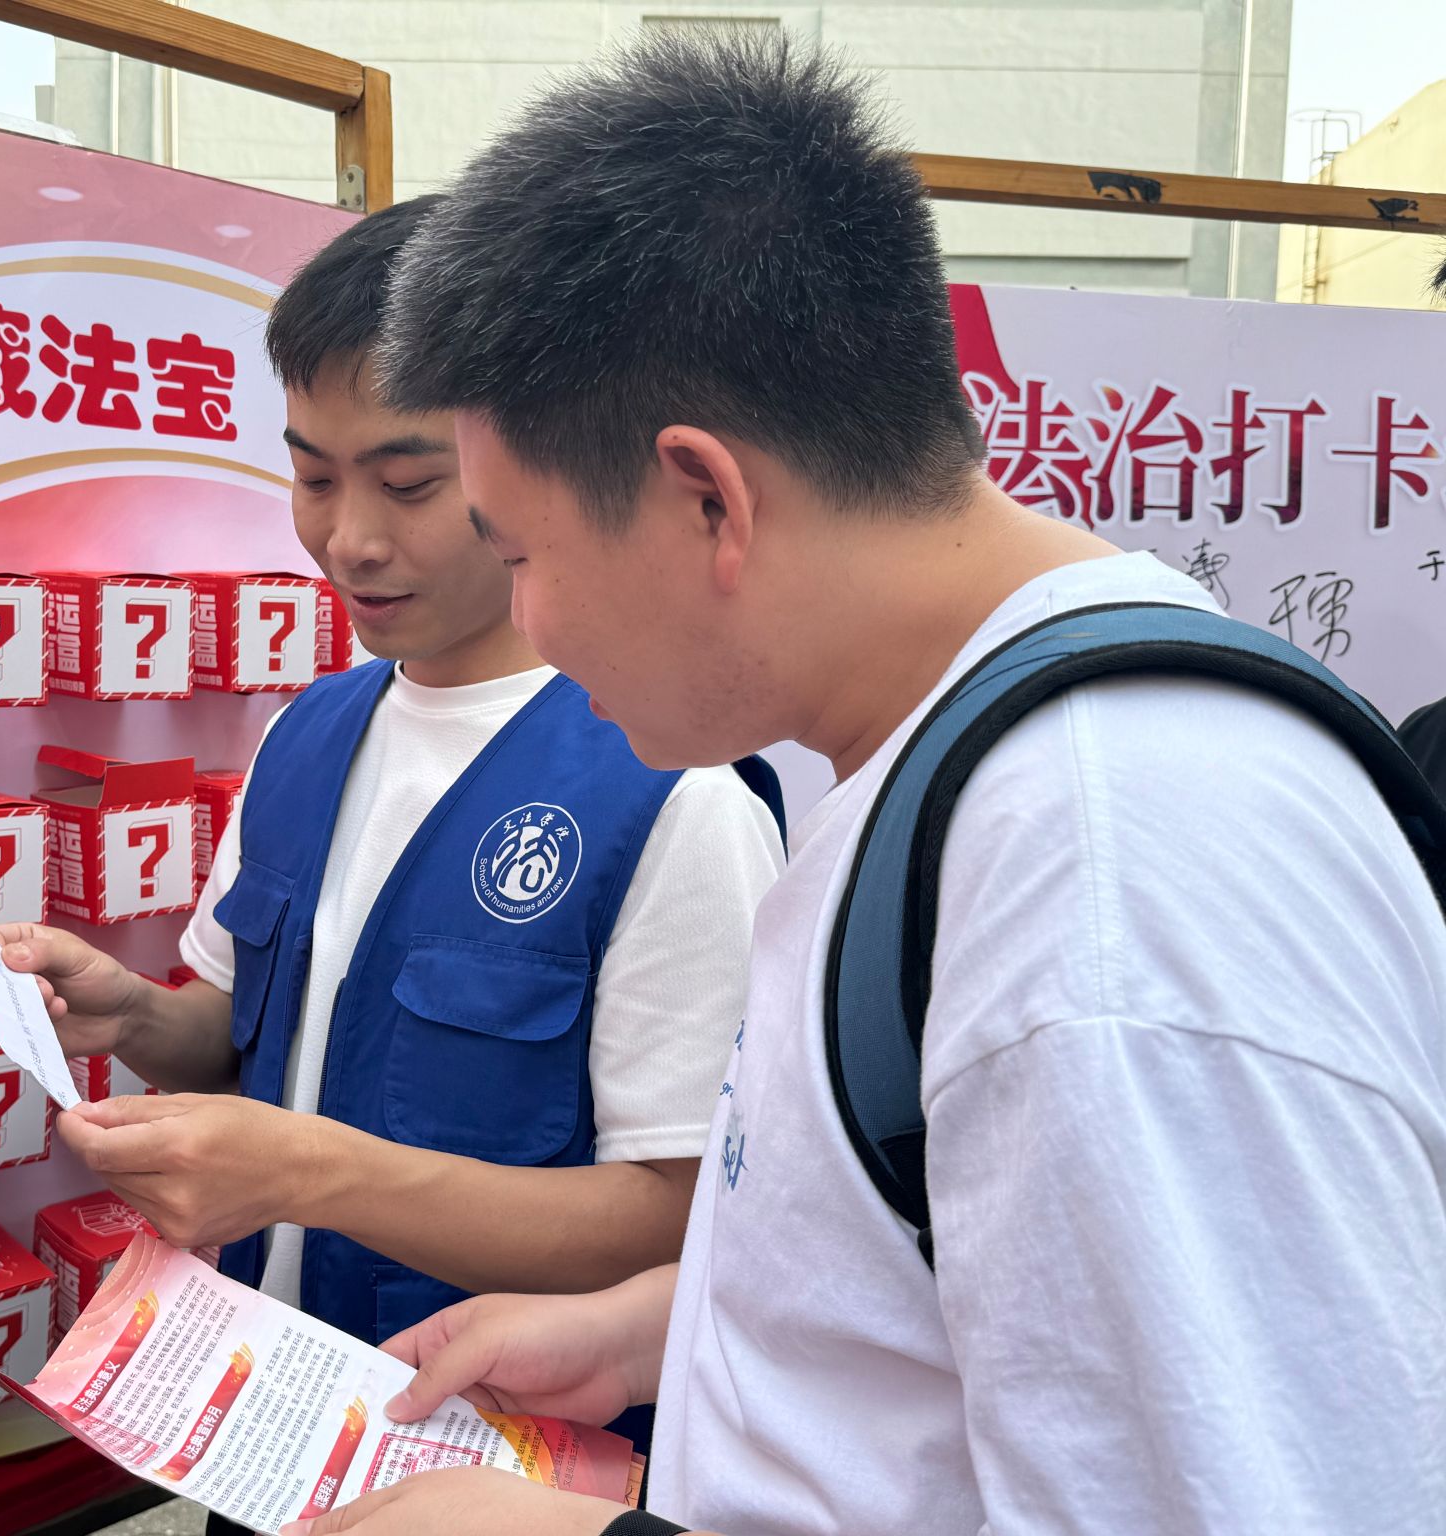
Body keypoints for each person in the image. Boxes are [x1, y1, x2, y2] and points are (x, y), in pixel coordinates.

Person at [282, 30, 1446, 1536]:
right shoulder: (955, 754)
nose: (531, 627)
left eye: (519, 555)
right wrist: (665, 1328)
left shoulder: (1101, 886)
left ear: (707, 498)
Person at [0, 201, 781, 1358]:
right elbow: (249, 1033)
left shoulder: (674, 795)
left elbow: (678, 1220)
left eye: (407, 485)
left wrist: (311, 1175)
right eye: (312, 478)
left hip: (487, 1430)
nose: (349, 540)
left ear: (535, 466)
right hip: (271, 1392)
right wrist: (133, 1016)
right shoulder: (304, 733)